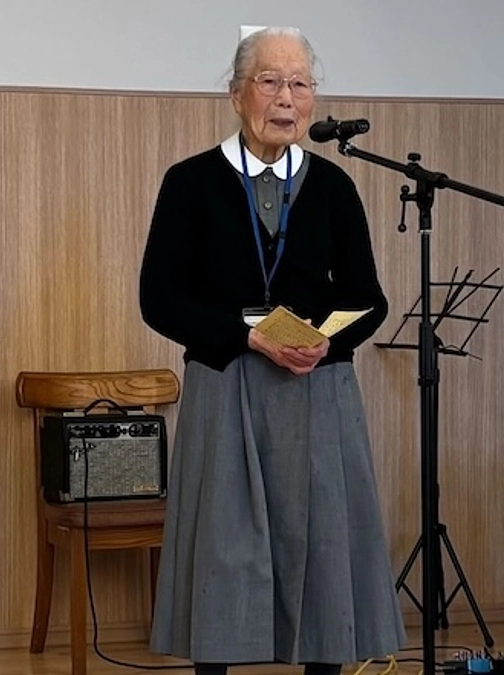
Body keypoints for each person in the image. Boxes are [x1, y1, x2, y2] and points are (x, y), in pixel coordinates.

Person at [139, 26, 406, 675]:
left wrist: (323, 339)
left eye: (300, 83)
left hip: (316, 391)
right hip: (226, 381)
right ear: (236, 95)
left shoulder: (334, 187)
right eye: (269, 81)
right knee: (224, 549)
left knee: (319, 549)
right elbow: (159, 299)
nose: (285, 98)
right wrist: (246, 334)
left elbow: (369, 297)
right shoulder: (190, 182)